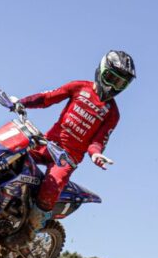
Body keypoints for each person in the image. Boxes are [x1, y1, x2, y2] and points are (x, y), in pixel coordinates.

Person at [14, 50, 136, 232]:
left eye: (119, 83)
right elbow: (47, 98)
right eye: (111, 78)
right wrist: (22, 102)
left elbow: (98, 141)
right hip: (46, 143)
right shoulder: (79, 87)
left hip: (66, 158)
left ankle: (29, 231)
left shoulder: (112, 113)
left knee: (51, 187)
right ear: (101, 70)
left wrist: (96, 154)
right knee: (13, 153)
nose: (112, 86)